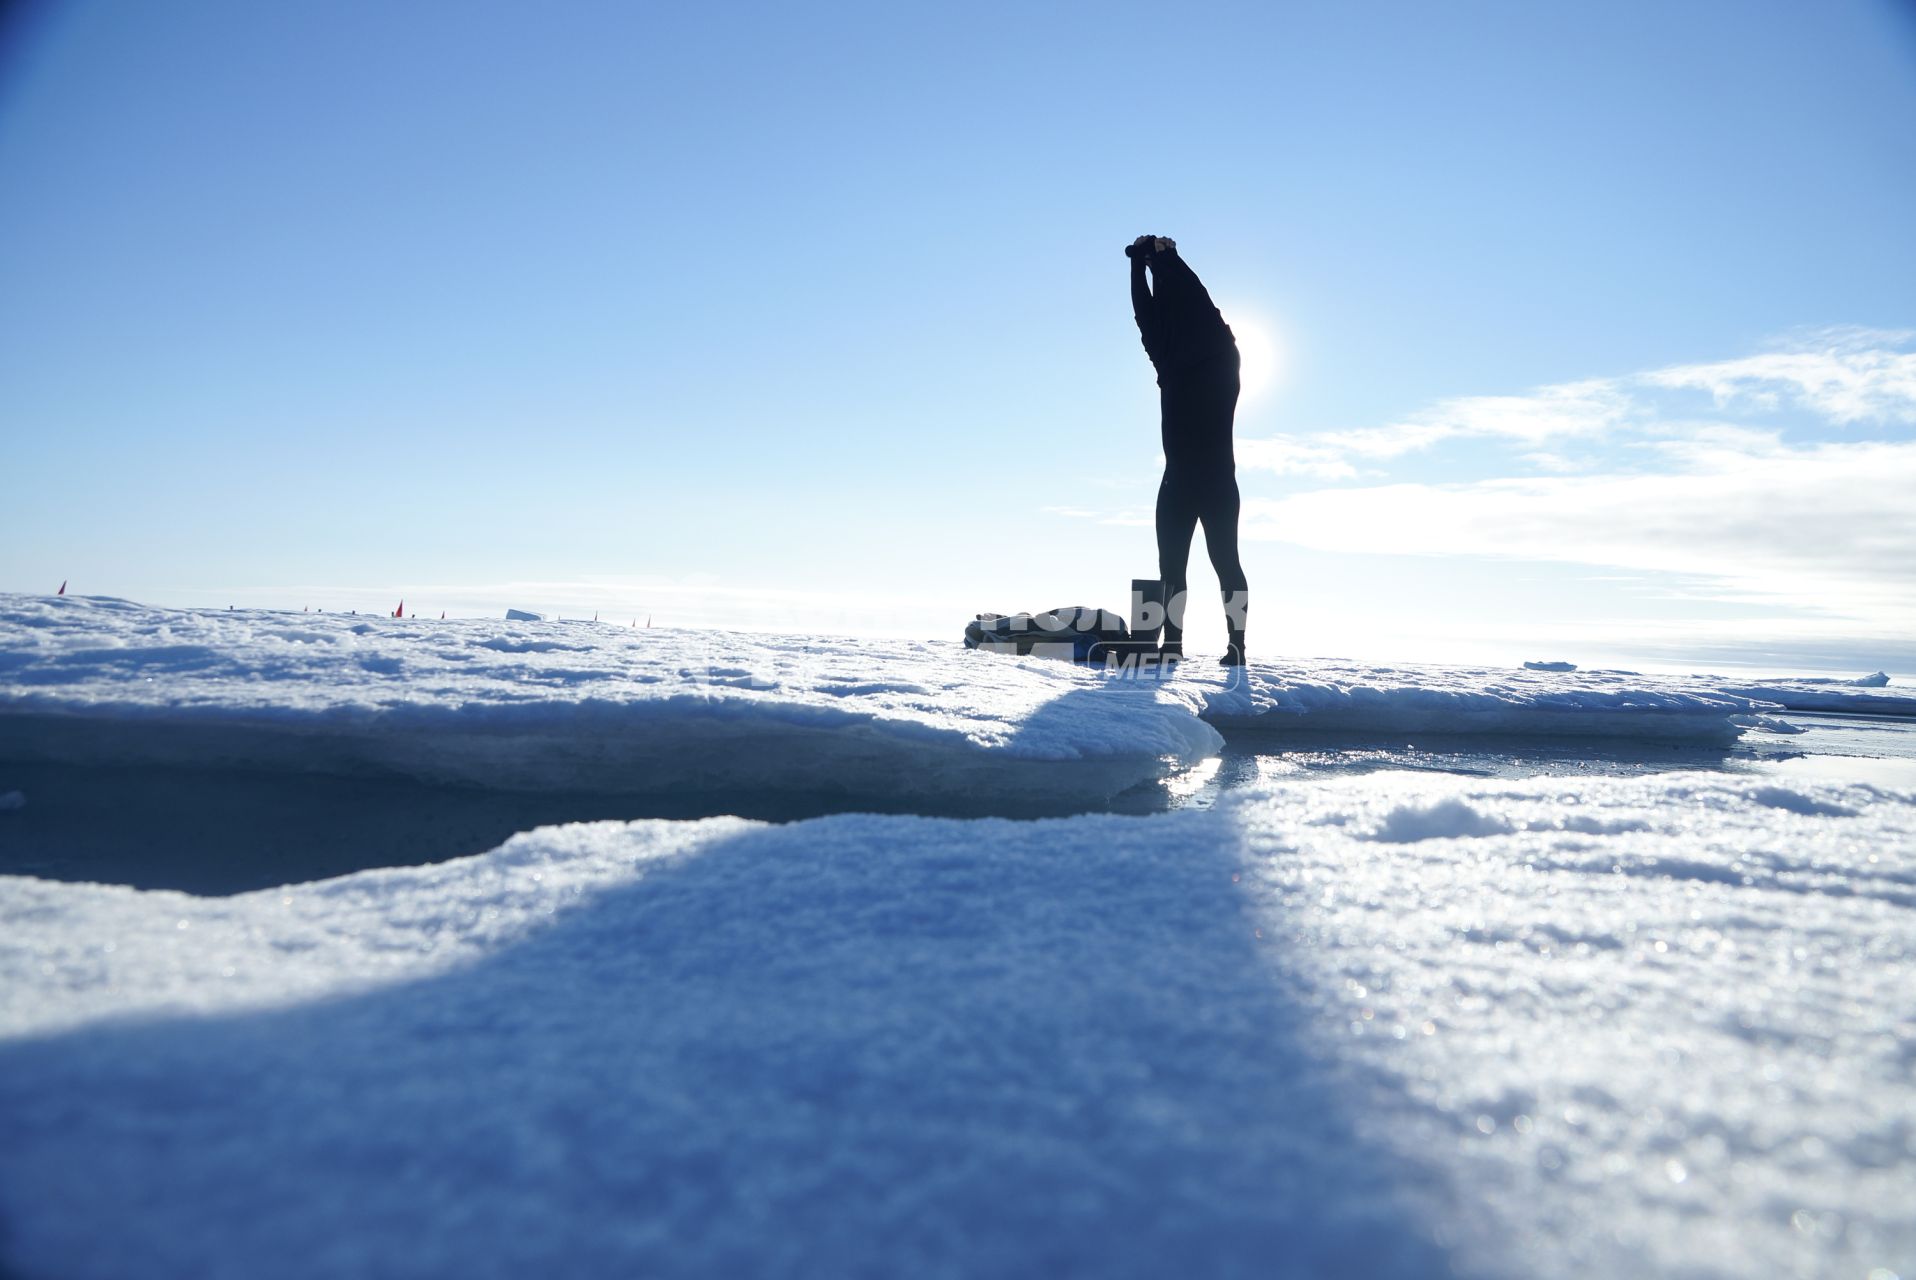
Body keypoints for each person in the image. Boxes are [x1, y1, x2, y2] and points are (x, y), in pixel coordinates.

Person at [1128, 234, 1248, 665]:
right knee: (1194, 567)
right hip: (1199, 481)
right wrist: (1152, 262)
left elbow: (1179, 307)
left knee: (1203, 567)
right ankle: (1189, 646)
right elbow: (1167, 310)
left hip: (1193, 482)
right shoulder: (1199, 358)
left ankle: (1220, 646)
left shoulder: (1195, 358)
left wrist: (1150, 263)